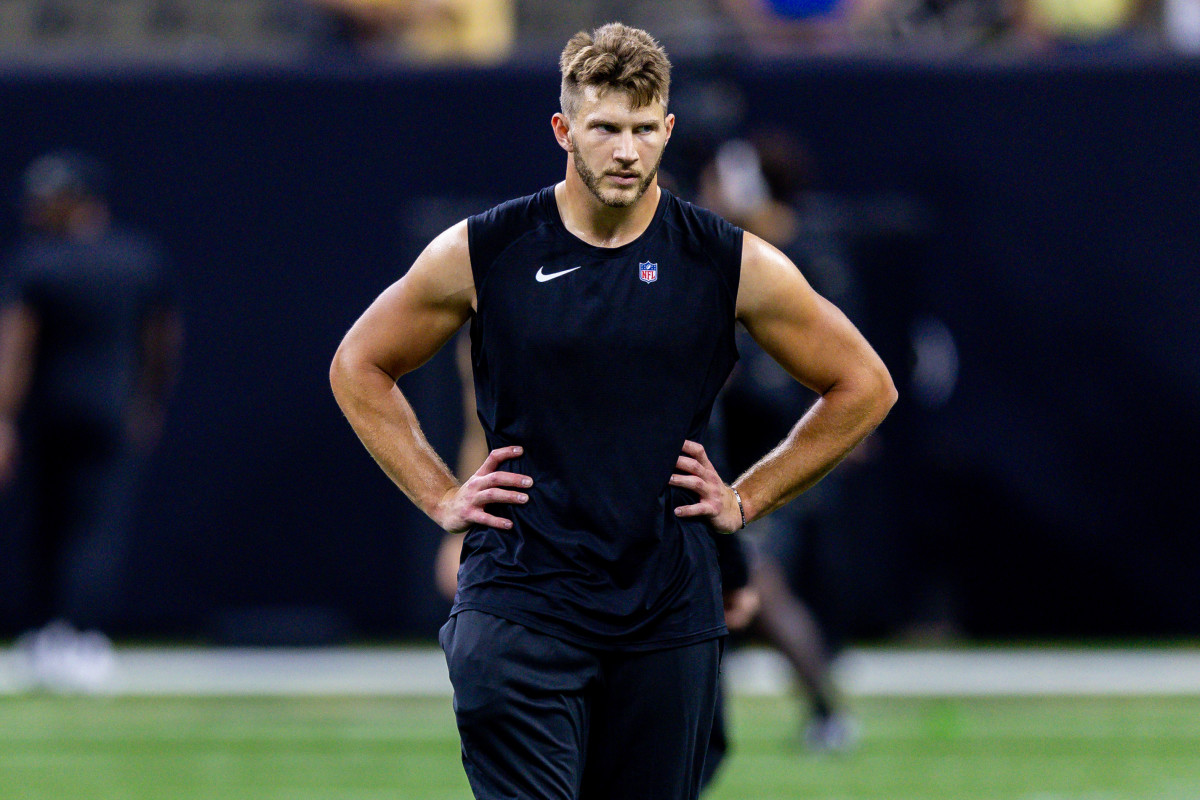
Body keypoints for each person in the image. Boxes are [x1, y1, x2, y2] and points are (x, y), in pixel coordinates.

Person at [330, 22, 895, 800]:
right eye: (604, 129)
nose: (625, 150)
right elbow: (359, 364)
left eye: (641, 130)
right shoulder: (485, 250)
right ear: (565, 131)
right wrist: (438, 493)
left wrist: (747, 497)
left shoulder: (727, 260)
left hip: (666, 610)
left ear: (667, 131)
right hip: (519, 602)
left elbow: (864, 383)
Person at [698, 131, 867, 751]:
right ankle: (701, 726)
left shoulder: (797, 259)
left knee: (757, 590)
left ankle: (827, 711)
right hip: (726, 454)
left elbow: (845, 372)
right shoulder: (719, 255)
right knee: (718, 594)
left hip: (773, 453)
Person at [0, 150, 182, 692]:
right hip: (109, 409)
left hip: (48, 413)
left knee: (53, 524)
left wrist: (5, 418)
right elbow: (163, 342)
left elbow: (17, 346)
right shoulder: (139, 257)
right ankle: (72, 636)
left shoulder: (38, 262)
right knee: (93, 526)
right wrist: (149, 402)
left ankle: (56, 635)